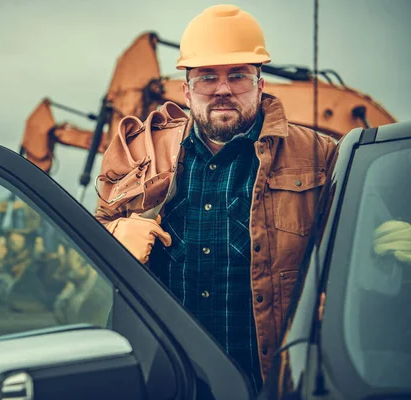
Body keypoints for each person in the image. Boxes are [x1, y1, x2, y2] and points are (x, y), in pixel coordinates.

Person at [94, 4, 336, 392]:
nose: (223, 89)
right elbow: (89, 237)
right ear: (186, 91)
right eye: (207, 77)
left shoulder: (320, 155)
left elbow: (353, 250)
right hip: (166, 378)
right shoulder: (142, 152)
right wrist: (113, 232)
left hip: (271, 380)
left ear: (260, 84)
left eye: (237, 75)